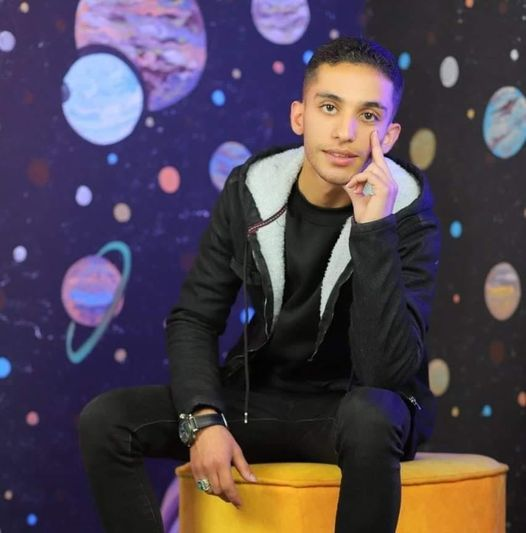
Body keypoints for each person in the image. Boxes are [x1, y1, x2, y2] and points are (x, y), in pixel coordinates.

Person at [79, 36, 440, 533]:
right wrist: (204, 419)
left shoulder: (408, 212)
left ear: (390, 135)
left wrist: (373, 228)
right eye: (329, 107)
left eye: (369, 115)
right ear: (299, 117)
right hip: (262, 401)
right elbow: (194, 318)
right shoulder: (250, 190)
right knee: (106, 419)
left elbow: (386, 373)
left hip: (357, 412)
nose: (345, 132)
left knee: (372, 412)